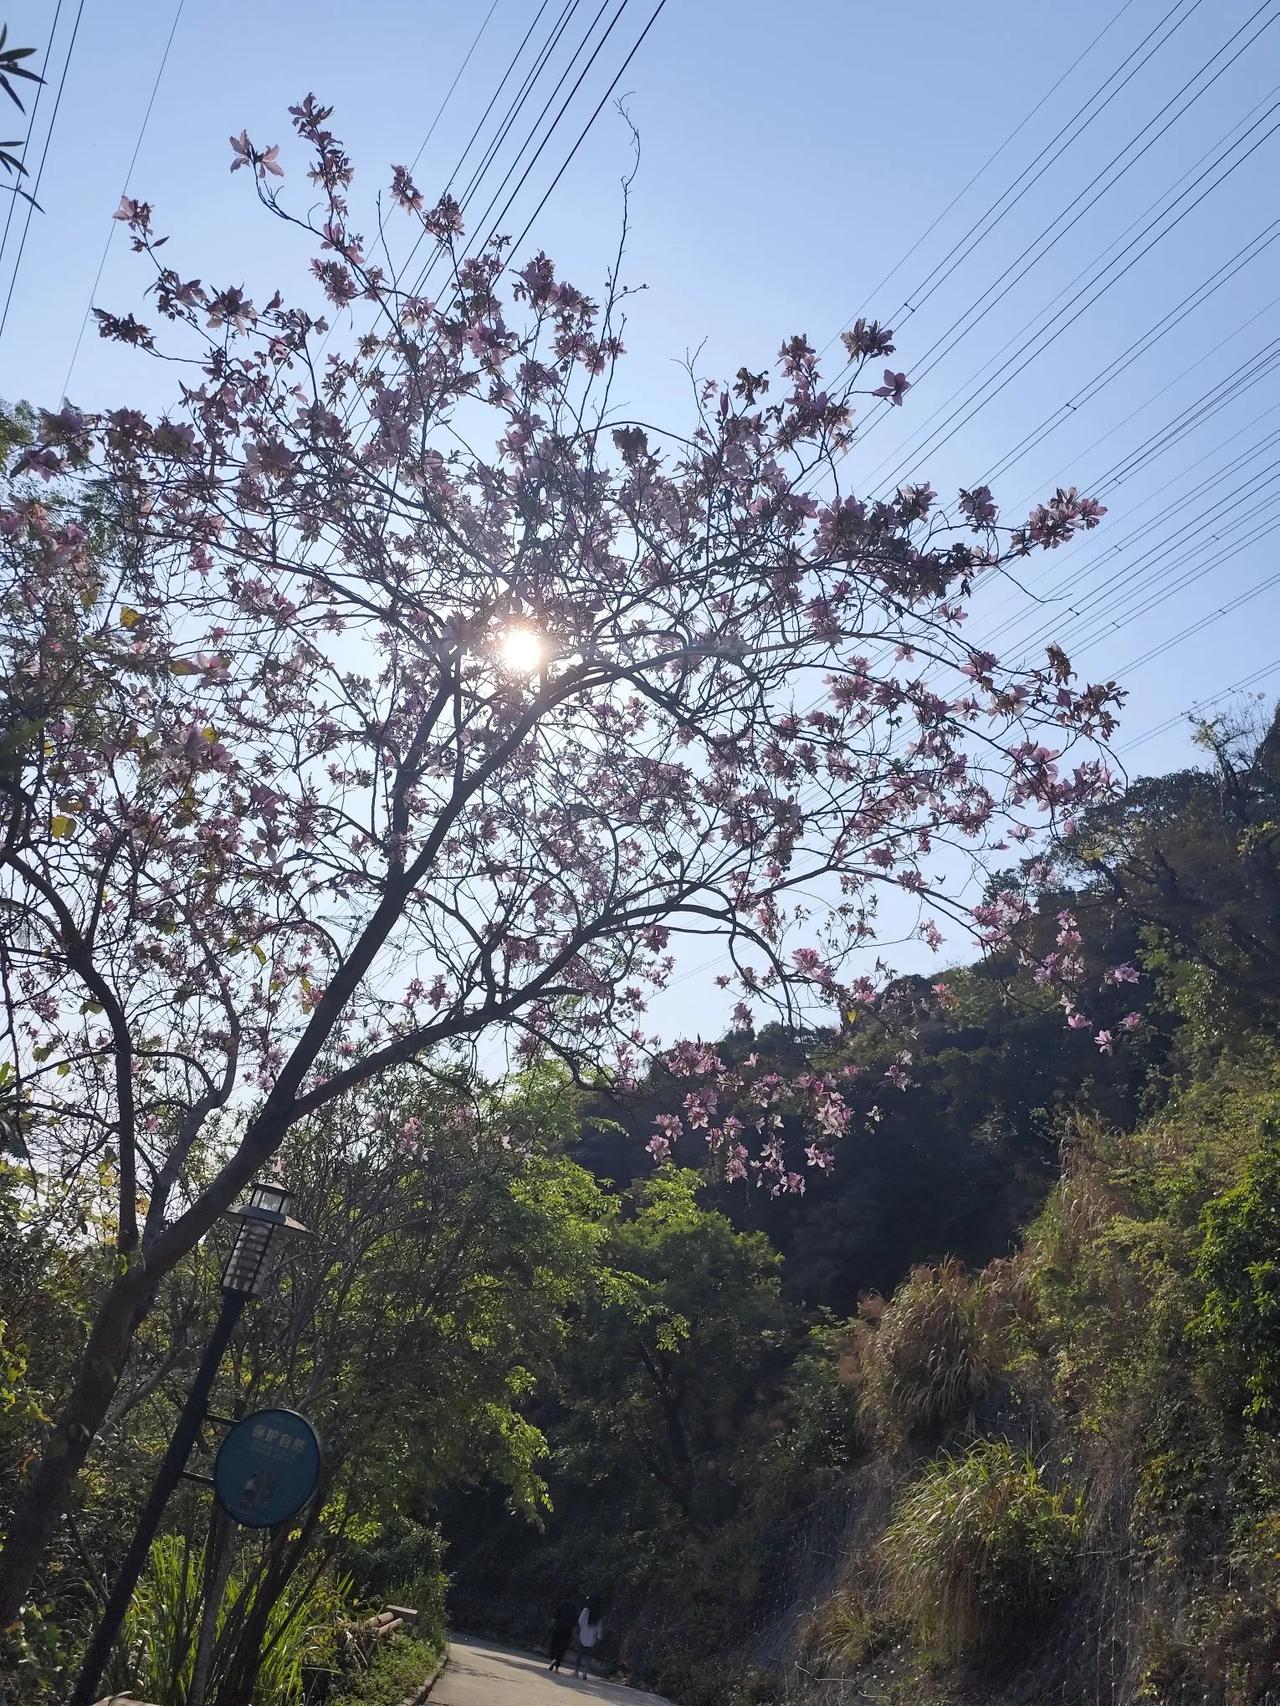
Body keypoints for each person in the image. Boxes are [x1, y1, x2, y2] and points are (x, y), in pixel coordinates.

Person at [573, 1595, 604, 1679]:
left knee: (579, 1653)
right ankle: (584, 1673)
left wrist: (578, 1632)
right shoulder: (598, 1614)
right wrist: (599, 1637)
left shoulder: (586, 1610)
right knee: (588, 1656)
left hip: (583, 1634)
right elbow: (599, 1627)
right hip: (592, 1638)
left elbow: (580, 1622)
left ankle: (576, 1671)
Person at [548, 1596, 577, 1672]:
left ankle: (553, 1658)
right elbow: (574, 1623)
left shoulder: (561, 1604)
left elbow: (556, 1616)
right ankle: (557, 1666)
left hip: (558, 1627)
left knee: (554, 1644)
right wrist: (574, 1635)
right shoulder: (574, 1607)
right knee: (562, 1648)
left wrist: (553, 1625)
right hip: (567, 1630)